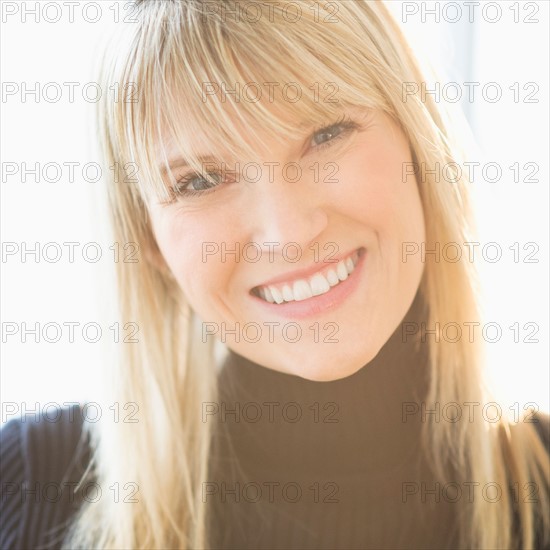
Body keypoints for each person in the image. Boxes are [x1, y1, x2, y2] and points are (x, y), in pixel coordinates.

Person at [1, 1, 548, 548]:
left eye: (326, 134)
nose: (288, 233)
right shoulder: (27, 492)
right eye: (200, 181)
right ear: (150, 242)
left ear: (418, 142)